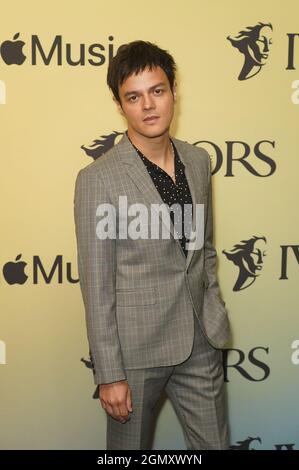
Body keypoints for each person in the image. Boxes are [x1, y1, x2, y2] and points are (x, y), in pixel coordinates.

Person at [74, 40, 230, 450]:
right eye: (133, 96)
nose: (148, 105)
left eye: (157, 91)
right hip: (135, 352)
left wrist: (211, 306)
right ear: (120, 104)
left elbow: (204, 247)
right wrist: (109, 374)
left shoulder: (198, 161)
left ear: (173, 91)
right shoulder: (98, 179)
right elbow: (96, 283)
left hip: (200, 341)